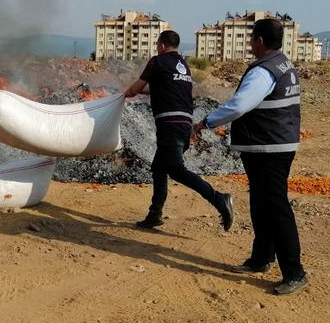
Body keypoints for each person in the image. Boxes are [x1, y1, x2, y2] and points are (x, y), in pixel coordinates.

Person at [195, 18, 308, 295]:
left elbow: (240, 105)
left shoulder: (264, 71)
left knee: (276, 207)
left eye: (251, 39)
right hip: (271, 144)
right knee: (261, 203)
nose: (250, 44)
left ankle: (294, 272)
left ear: (259, 40)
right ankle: (261, 258)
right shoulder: (283, 64)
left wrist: (206, 122)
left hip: (269, 146)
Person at [124, 30, 234, 232]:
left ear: (163, 45)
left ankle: (219, 199)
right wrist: (145, 90)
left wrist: (127, 92)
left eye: (157, 44)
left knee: (175, 169)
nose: (157, 47)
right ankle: (154, 215)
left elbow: (137, 87)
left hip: (170, 124)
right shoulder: (183, 66)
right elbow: (164, 87)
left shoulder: (157, 61)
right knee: (159, 168)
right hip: (184, 124)